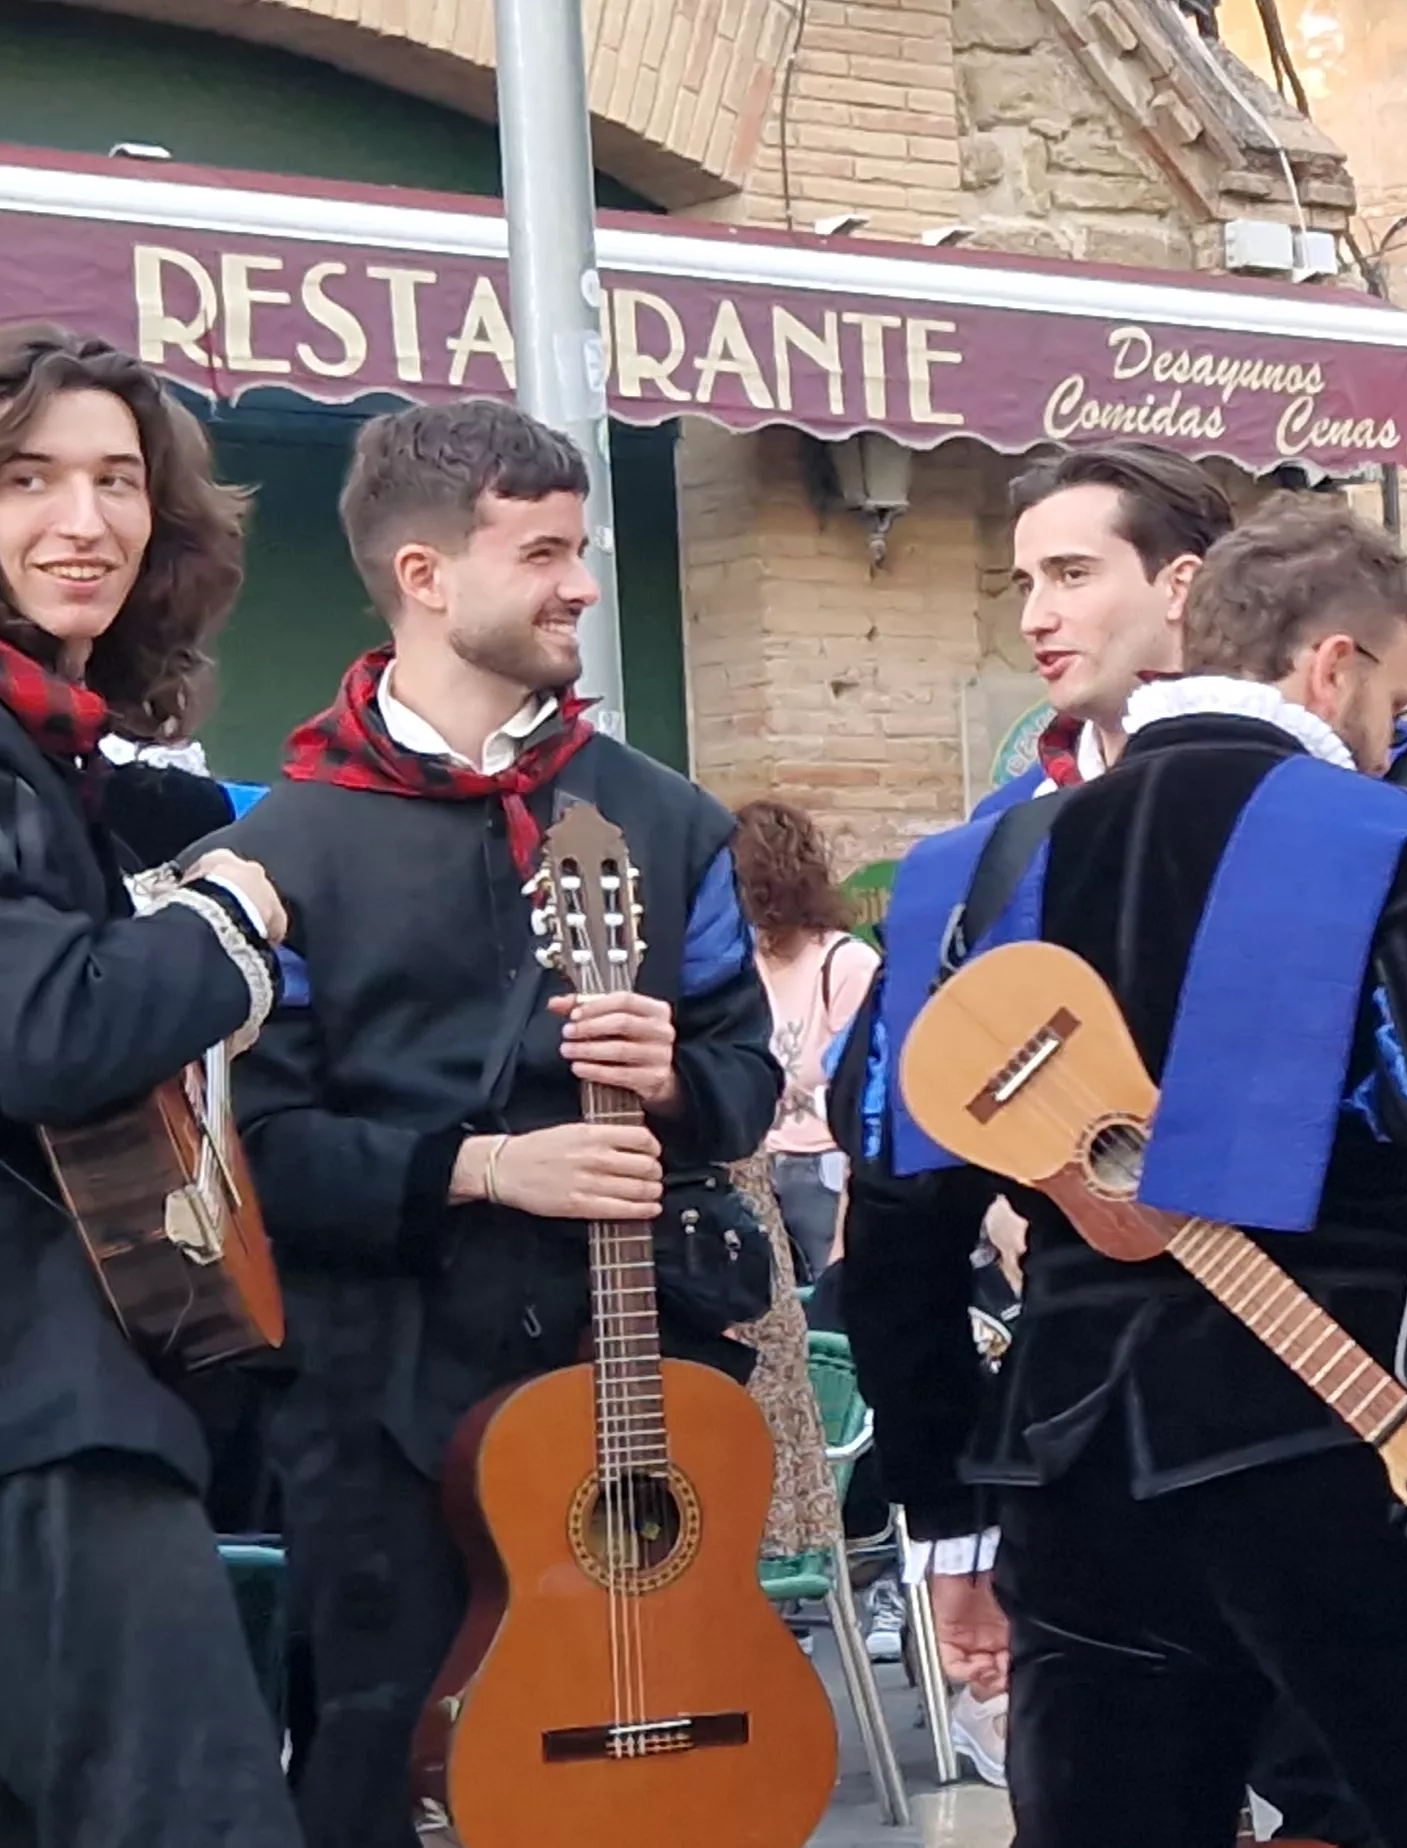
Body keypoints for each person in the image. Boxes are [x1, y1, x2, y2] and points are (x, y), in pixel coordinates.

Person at [844, 496, 1407, 1846]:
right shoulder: (1400, 856)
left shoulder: (969, 882)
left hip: (1074, 1479)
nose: (1389, 733)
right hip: (1352, 1461)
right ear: (1334, 667)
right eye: (1395, 696)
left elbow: (897, 1236)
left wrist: (947, 1508)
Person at [221, 400, 783, 1848]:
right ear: (424, 575)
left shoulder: (670, 823)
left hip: (636, 1386)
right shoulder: (272, 853)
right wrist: (482, 1169)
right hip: (381, 1410)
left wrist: (676, 1077)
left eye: (581, 550)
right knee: (369, 1774)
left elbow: (748, 1076)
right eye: (542, 554)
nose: (582, 586)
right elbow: (254, 1159)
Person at [0, 325, 299, 1848]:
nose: (85, 520)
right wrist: (229, 923)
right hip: (42, 1418)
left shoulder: (74, 765)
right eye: (27, 477)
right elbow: (41, 1025)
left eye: (117, 480)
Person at [991, 442, 1231, 811]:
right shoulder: (1006, 819)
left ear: (1180, 586)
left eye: (1073, 575)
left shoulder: (1285, 797)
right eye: (1027, 586)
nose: (1032, 622)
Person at [737, 797, 879, 1277]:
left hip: (824, 1171)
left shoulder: (845, 963)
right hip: (757, 1167)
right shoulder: (740, 964)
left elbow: (865, 1100)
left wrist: (844, 1236)